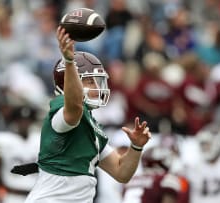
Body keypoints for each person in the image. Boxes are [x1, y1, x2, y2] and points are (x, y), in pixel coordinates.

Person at [20, 27, 152, 202]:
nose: (97, 88)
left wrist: (136, 147)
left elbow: (122, 173)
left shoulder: (91, 124)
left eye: (97, 81)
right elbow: (74, 106)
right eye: (90, 81)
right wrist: (69, 61)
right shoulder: (62, 106)